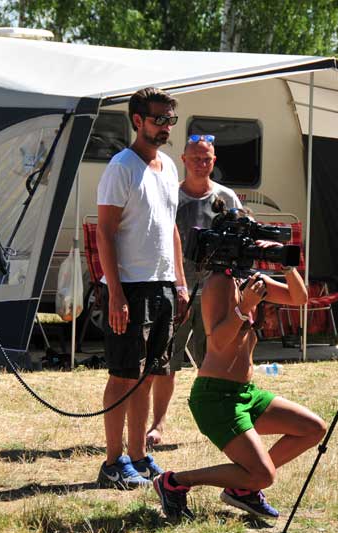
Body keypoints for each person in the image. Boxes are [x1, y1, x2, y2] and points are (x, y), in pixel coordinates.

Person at [152, 220, 327, 521]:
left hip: (245, 393)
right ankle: (174, 482)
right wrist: (244, 307)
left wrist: (286, 267)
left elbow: (299, 298)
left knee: (314, 429)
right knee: (264, 476)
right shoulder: (217, 285)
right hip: (216, 399)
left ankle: (244, 486)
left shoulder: (249, 281)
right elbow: (219, 342)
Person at [95, 87, 188, 489]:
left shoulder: (168, 167)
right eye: (159, 119)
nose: (166, 127)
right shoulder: (121, 167)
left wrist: (179, 282)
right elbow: (104, 233)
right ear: (138, 121)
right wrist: (116, 294)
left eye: (171, 120)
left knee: (148, 376)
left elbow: (170, 227)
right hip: (129, 288)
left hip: (162, 286)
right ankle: (112, 462)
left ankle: (137, 455)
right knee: (123, 376)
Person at [148, 134, 243, 448]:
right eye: (196, 159)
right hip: (175, 291)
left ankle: (222, 421)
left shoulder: (226, 198)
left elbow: (241, 241)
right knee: (166, 362)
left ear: (214, 161)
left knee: (214, 361)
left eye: (207, 159)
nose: (202, 164)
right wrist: (176, 285)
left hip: (216, 294)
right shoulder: (171, 196)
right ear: (184, 161)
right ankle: (157, 425)